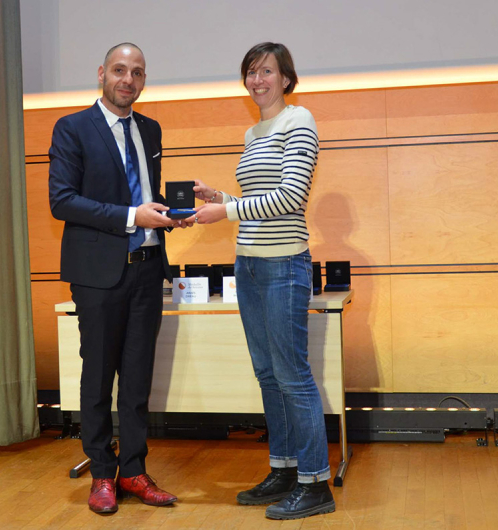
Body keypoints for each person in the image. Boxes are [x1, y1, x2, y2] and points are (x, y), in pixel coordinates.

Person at [192, 42, 335, 520]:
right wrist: (221, 197)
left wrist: (225, 210)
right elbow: (259, 199)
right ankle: (285, 469)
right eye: (251, 72)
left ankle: (316, 483)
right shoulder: (254, 132)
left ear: (286, 78)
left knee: (294, 377)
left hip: (283, 266)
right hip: (249, 266)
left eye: (267, 71)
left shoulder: (300, 121)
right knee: (268, 375)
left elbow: (290, 197)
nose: (258, 80)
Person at [48, 42, 182, 514]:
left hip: (147, 271)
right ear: (102, 72)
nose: (128, 79)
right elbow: (62, 201)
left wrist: (167, 212)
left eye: (138, 72)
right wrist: (133, 216)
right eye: (120, 70)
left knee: (138, 382)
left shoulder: (150, 129)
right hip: (97, 275)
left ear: (144, 81)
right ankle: (102, 473)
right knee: (98, 378)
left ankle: (135, 471)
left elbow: (143, 193)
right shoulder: (72, 128)